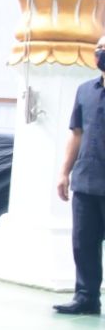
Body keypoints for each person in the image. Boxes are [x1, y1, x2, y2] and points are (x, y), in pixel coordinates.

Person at [54, 33, 105, 315]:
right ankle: (86, 297)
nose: (101, 53)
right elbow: (76, 134)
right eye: (99, 48)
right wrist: (64, 172)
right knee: (84, 242)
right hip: (86, 181)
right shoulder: (85, 90)